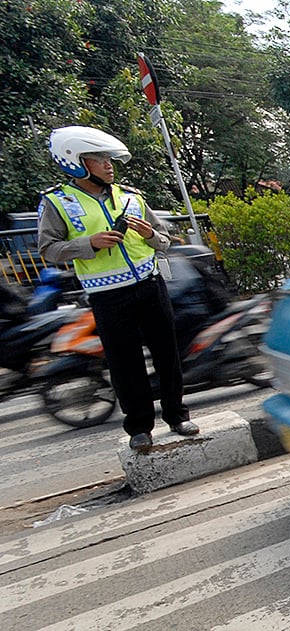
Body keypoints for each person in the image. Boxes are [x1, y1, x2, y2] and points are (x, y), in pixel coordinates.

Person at [38, 126, 196, 450]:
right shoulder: (58, 202)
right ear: (76, 162)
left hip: (151, 285)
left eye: (110, 159)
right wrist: (87, 244)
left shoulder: (132, 197)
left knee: (168, 355)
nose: (109, 165)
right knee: (125, 365)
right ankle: (139, 428)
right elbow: (48, 250)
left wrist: (150, 234)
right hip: (108, 296)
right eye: (99, 159)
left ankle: (178, 416)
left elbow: (163, 241)